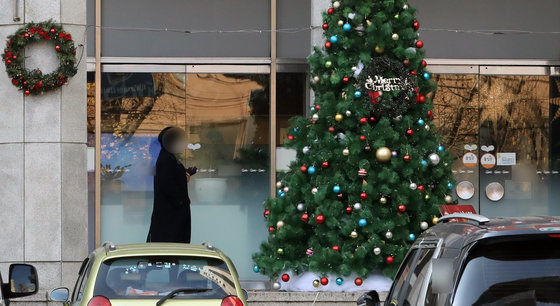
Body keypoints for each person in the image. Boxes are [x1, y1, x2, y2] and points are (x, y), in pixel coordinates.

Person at [147, 127, 192, 243]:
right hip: (170, 217)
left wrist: (183, 179)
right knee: (172, 249)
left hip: (171, 216)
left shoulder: (168, 158)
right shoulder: (167, 159)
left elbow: (169, 181)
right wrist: (181, 200)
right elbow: (166, 184)